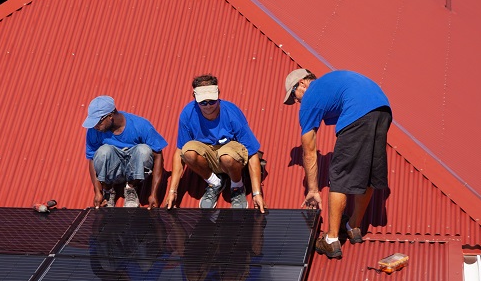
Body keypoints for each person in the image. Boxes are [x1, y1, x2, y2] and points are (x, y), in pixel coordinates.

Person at [283, 69, 392, 259]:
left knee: (338, 176)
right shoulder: (329, 85)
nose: (297, 102)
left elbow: (309, 151)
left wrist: (313, 189)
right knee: (366, 174)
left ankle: (331, 240)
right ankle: (353, 227)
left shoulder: (310, 97)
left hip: (360, 112)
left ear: (301, 84)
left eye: (294, 96)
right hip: (383, 109)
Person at [166, 75, 265, 211]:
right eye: (203, 102)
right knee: (187, 151)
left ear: (218, 94)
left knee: (226, 156)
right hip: (210, 157)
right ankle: (215, 182)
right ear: (194, 97)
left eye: (212, 101)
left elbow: (252, 153)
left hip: (231, 157)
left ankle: (237, 186)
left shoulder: (232, 113)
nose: (208, 106)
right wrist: (173, 191)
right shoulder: (187, 114)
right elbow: (179, 152)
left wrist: (257, 193)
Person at [83, 95, 167, 208]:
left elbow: (158, 155)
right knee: (103, 151)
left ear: (110, 116)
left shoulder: (140, 125)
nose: (95, 126)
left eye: (98, 122)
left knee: (144, 150)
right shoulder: (94, 131)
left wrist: (154, 194)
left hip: (134, 171)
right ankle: (108, 191)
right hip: (113, 173)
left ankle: (131, 189)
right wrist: (97, 192)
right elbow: (92, 159)